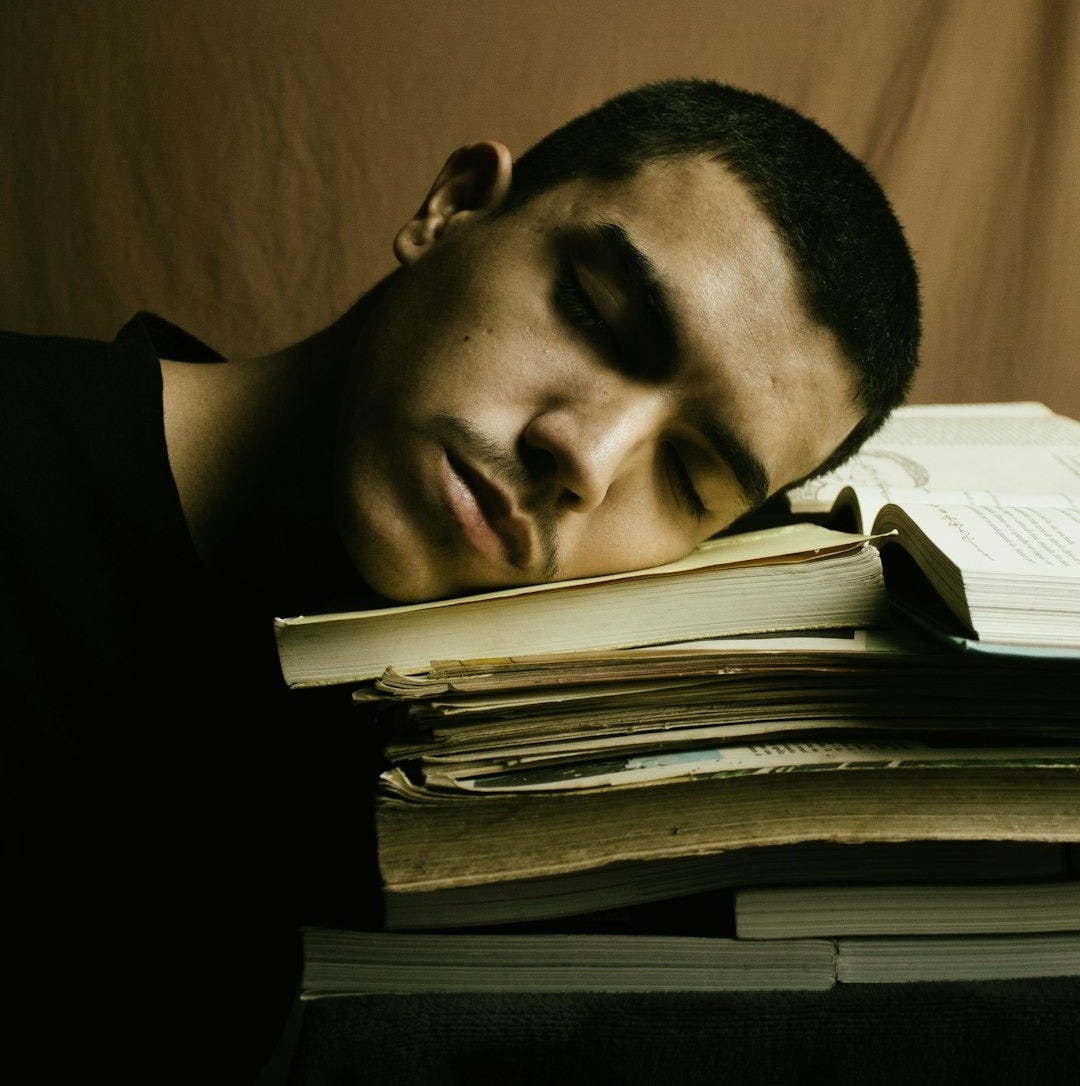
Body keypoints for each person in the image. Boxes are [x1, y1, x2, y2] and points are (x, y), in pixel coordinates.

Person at [2, 78, 919, 1081]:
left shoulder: (466, 754)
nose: (590, 457)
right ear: (451, 207)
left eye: (687, 477)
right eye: (598, 314)